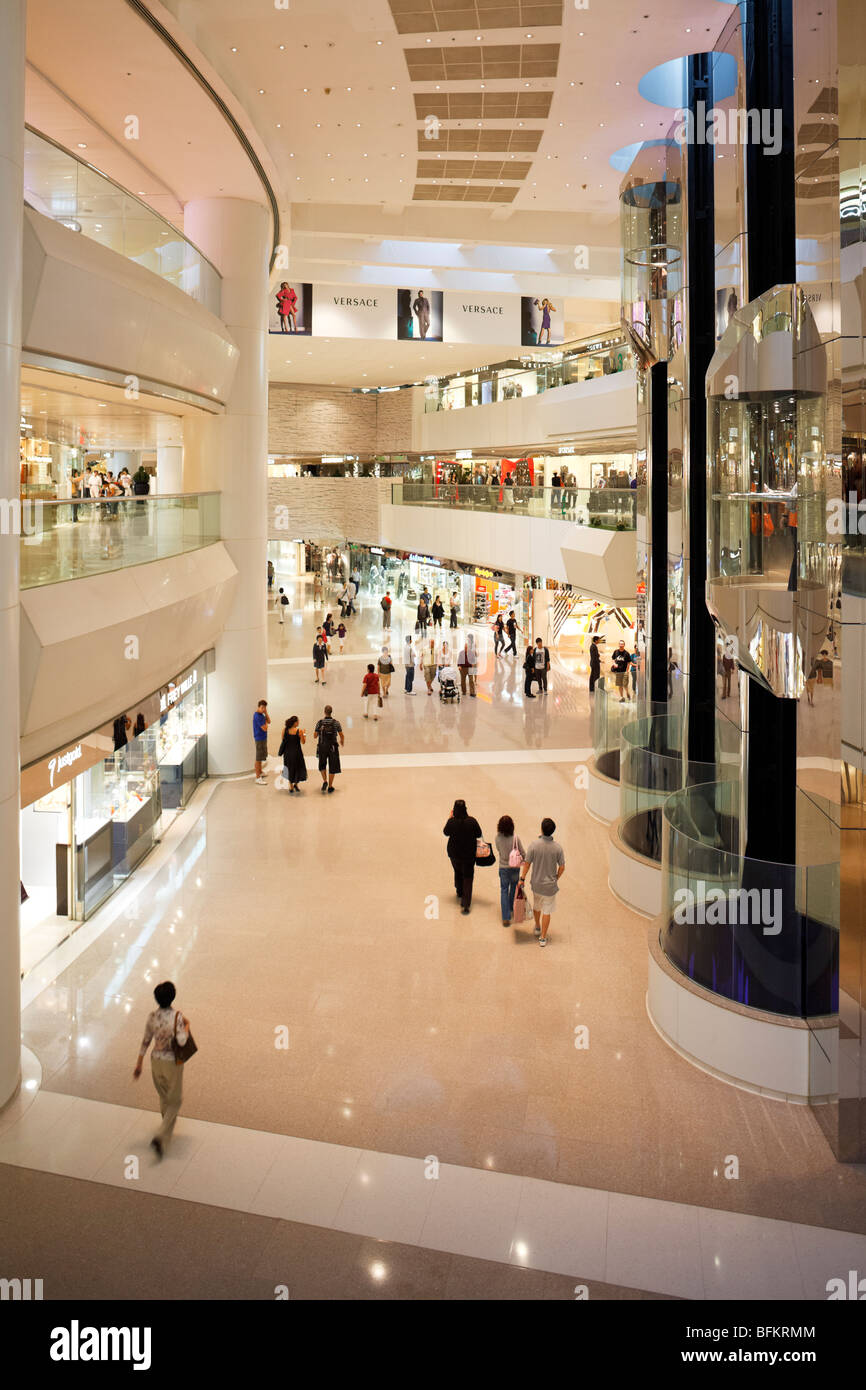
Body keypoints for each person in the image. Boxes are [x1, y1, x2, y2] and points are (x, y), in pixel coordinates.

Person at [133, 980, 190, 1157]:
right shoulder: (177, 1017)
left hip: (155, 1061)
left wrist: (139, 1063)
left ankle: (165, 1137)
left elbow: (146, 1040)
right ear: (173, 996)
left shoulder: (152, 1017)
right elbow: (182, 1041)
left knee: (164, 1097)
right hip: (172, 1063)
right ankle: (161, 1134)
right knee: (176, 1100)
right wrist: (186, 1026)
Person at [519, 817, 565, 947]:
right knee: (547, 910)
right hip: (550, 887)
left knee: (537, 906)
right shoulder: (558, 848)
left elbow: (527, 864)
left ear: (541, 829)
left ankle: (537, 926)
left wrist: (522, 878)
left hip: (536, 884)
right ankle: (543, 938)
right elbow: (562, 867)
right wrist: (556, 877)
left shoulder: (534, 845)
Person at [443, 798, 484, 915]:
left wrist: (449, 818)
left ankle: (459, 891)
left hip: (454, 854)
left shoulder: (451, 822)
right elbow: (478, 834)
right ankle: (466, 904)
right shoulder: (472, 821)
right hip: (469, 855)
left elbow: (445, 832)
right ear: (465, 809)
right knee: (468, 877)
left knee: (457, 870)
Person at [495, 814, 525, 926]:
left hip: (503, 867)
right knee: (513, 887)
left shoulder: (497, 838)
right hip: (515, 867)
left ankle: (505, 917)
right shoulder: (516, 838)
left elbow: (498, 849)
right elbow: (523, 852)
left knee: (503, 890)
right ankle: (512, 908)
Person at [314, 705, 344, 792]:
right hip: (333, 747)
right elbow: (341, 735)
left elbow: (315, 736)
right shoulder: (336, 723)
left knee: (322, 764)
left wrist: (320, 730)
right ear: (331, 712)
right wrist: (342, 741)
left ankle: (325, 781)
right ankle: (330, 786)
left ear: (324, 712)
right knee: (333, 766)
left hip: (322, 746)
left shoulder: (320, 722)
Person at [278, 715, 308, 792]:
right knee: (297, 768)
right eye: (298, 721)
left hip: (287, 753)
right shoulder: (299, 731)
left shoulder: (284, 730)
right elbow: (303, 742)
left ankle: (290, 786)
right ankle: (296, 785)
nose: (298, 723)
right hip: (297, 753)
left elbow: (283, 740)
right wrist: (304, 734)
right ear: (295, 723)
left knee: (289, 768)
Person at [253, 699, 270, 785]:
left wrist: (266, 713)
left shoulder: (262, 715)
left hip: (263, 738)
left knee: (262, 756)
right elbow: (265, 728)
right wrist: (266, 724)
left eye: (264, 708)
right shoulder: (257, 716)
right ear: (258, 707)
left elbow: (269, 721)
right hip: (259, 739)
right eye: (262, 708)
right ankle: (257, 777)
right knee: (258, 758)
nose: (263, 709)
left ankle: (260, 772)